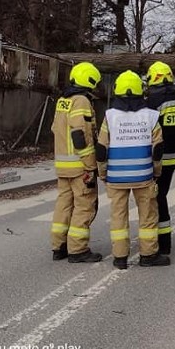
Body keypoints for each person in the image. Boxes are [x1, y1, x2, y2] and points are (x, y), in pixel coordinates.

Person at [96, 71, 170, 269]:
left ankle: (120, 258)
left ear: (117, 90)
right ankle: (148, 255)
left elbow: (101, 150)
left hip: (116, 178)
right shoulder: (151, 116)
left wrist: (103, 174)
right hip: (144, 176)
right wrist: (156, 173)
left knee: (118, 217)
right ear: (141, 91)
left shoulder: (109, 117)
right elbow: (157, 151)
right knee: (148, 216)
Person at [50, 61, 103, 263]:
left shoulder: (63, 100)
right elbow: (80, 136)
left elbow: (56, 130)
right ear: (89, 80)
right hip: (80, 166)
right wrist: (91, 165)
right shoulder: (81, 101)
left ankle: (59, 246)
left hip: (63, 165)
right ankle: (78, 249)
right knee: (84, 206)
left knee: (63, 205)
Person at [144, 61, 175, 255]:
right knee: (161, 196)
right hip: (173, 159)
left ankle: (159, 243)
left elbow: (146, 127)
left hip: (155, 159)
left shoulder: (154, 100)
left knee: (154, 199)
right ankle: (164, 242)